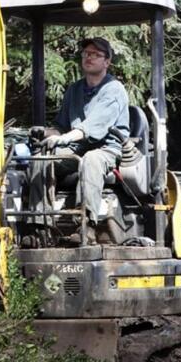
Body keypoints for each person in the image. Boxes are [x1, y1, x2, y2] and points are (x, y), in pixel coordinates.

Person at [28, 36, 130, 245]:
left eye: (95, 54)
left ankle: (86, 226)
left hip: (105, 149)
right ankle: (40, 227)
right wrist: (45, 133)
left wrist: (63, 139)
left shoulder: (114, 89)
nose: (89, 58)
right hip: (75, 147)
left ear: (107, 62)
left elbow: (92, 128)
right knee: (41, 159)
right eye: (86, 54)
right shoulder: (75, 90)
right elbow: (62, 126)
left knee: (90, 160)